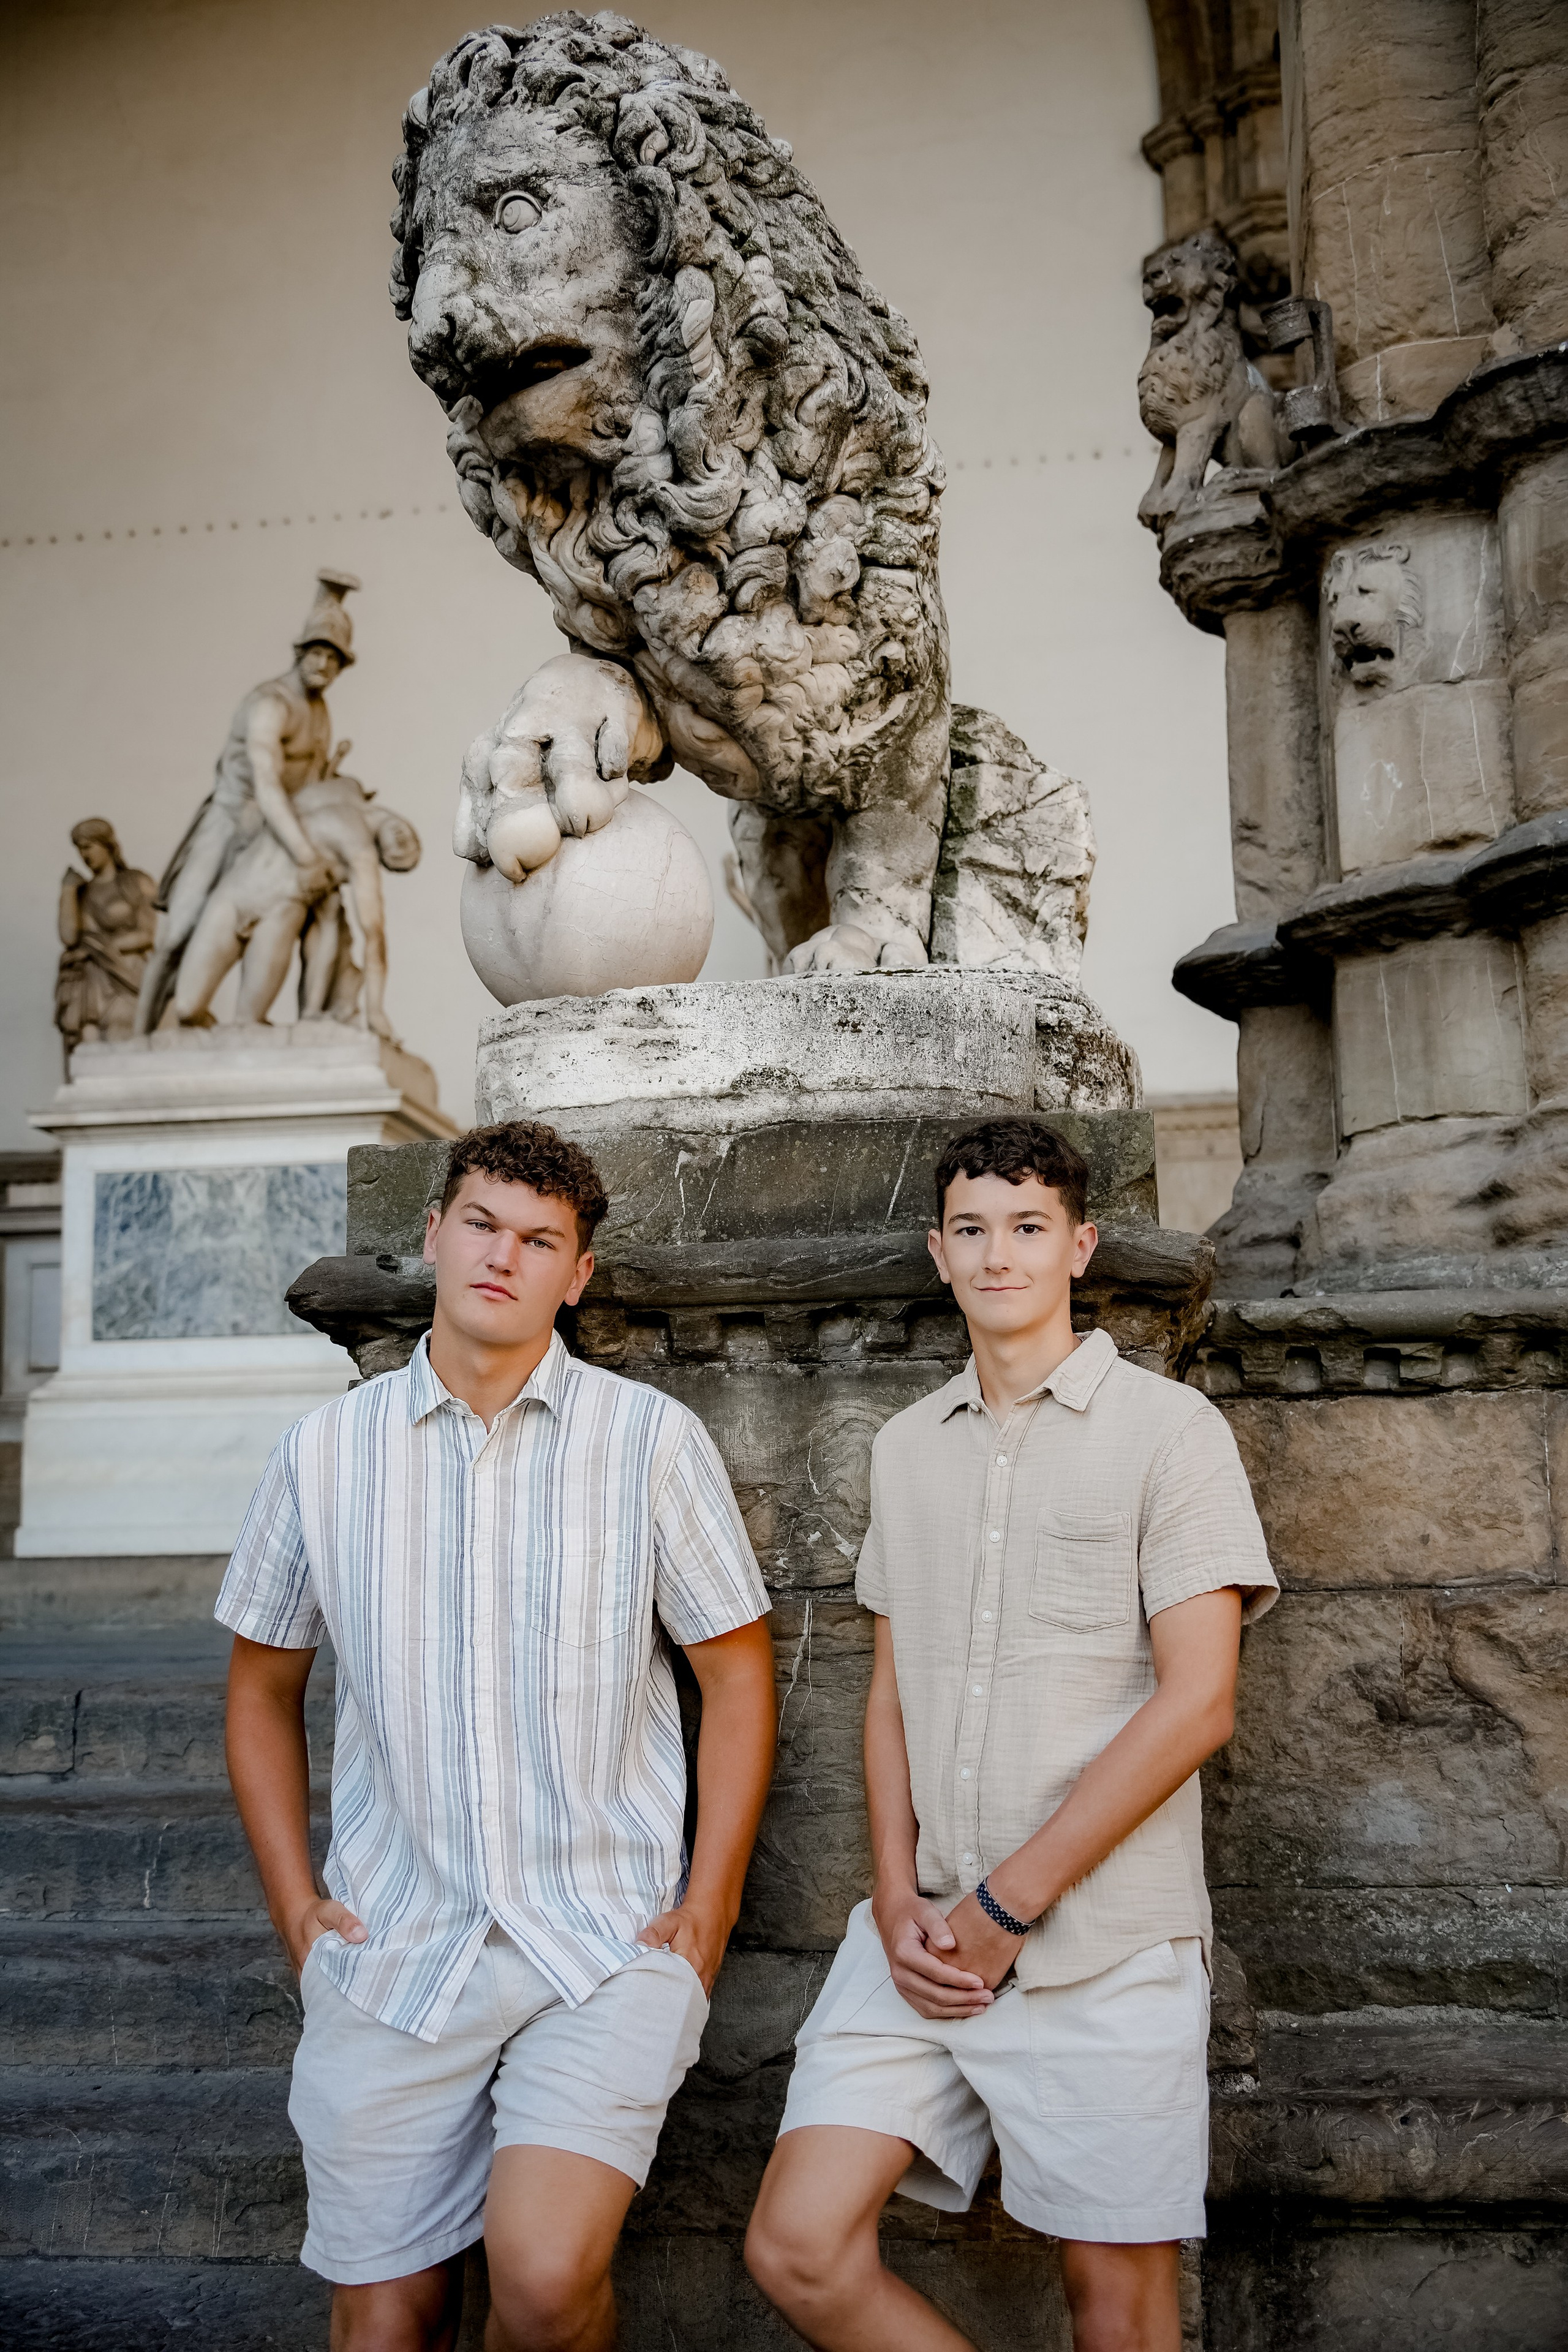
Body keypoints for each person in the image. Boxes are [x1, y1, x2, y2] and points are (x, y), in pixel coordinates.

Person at [219, 1120, 776, 2352]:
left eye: (539, 1242)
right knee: (382, 2321)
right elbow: (260, 1690)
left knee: (536, 2280)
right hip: (395, 1943)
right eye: (480, 1224)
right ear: (434, 1233)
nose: (501, 1258)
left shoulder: (646, 1442)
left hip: (601, 1940)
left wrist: (710, 1908)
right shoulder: (322, 1455)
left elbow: (734, 1676)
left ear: (574, 1276)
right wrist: (295, 1908)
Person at [745, 1117, 1276, 2352]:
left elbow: (1198, 1702)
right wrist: (891, 1897)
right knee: (797, 2247)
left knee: (1117, 2309)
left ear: (1077, 1245)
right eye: (973, 1230)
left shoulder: (1169, 1434)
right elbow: (890, 1692)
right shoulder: (901, 1449)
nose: (999, 1255)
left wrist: (1008, 1908)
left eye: (1028, 1227)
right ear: (939, 1253)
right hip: (921, 1934)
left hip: (1104, 1948)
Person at [134, 568, 361, 1033]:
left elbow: (306, 785)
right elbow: (266, 782)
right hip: (233, 821)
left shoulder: (320, 713)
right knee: (181, 929)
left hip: (277, 828)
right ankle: (140, 1033)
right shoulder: (270, 703)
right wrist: (303, 852)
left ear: (341, 667)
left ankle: (318, 1017)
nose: (323, 665)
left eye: (332, 659)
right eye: (316, 654)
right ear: (300, 654)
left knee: (326, 908)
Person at [173, 762, 420, 1035]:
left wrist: (376, 1011)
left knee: (247, 1022)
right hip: (235, 893)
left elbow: (374, 935)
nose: (405, 846)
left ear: (383, 858)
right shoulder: (347, 786)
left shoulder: (360, 855)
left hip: (279, 915)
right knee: (186, 1008)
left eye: (400, 859)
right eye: (412, 842)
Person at [54, 818, 157, 1066]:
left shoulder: (135, 881)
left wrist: (101, 948)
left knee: (124, 1041)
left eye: (88, 846)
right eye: (79, 848)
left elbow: (147, 934)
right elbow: (69, 937)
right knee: (89, 1049)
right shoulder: (82, 892)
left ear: (107, 845)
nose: (83, 854)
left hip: (127, 972)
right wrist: (68, 891)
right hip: (90, 979)